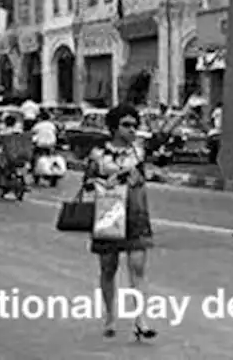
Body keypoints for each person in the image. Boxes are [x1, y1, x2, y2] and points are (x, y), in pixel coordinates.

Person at [82, 104, 157, 341]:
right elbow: (87, 182)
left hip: (136, 213)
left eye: (134, 125)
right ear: (114, 127)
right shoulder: (99, 154)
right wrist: (105, 182)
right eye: (126, 125)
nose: (131, 129)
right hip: (109, 212)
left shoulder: (139, 151)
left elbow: (160, 144)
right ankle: (110, 316)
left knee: (137, 268)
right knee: (108, 267)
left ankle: (140, 320)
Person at [30, 111, 59, 186]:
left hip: (41, 144)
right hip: (51, 144)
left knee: (34, 157)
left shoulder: (38, 125)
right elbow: (56, 133)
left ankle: (35, 173)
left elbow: (32, 133)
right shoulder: (52, 125)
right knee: (52, 157)